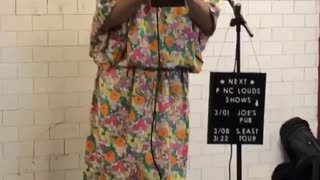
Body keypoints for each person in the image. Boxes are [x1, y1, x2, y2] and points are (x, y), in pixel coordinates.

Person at [84, 0, 221, 179]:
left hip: (169, 89)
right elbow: (105, 17)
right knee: (113, 166)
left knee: (165, 166)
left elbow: (209, 23)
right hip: (120, 86)